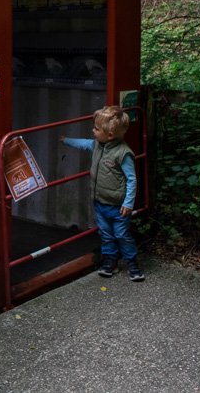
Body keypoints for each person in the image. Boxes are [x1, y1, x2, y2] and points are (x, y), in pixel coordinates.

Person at [61, 105, 145, 281]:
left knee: (122, 235)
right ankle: (110, 261)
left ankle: (132, 263)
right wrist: (66, 140)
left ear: (110, 135)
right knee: (106, 234)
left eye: (97, 129)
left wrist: (128, 203)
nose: (93, 131)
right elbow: (83, 143)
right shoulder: (97, 145)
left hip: (118, 207)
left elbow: (132, 180)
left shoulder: (123, 153)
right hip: (99, 203)